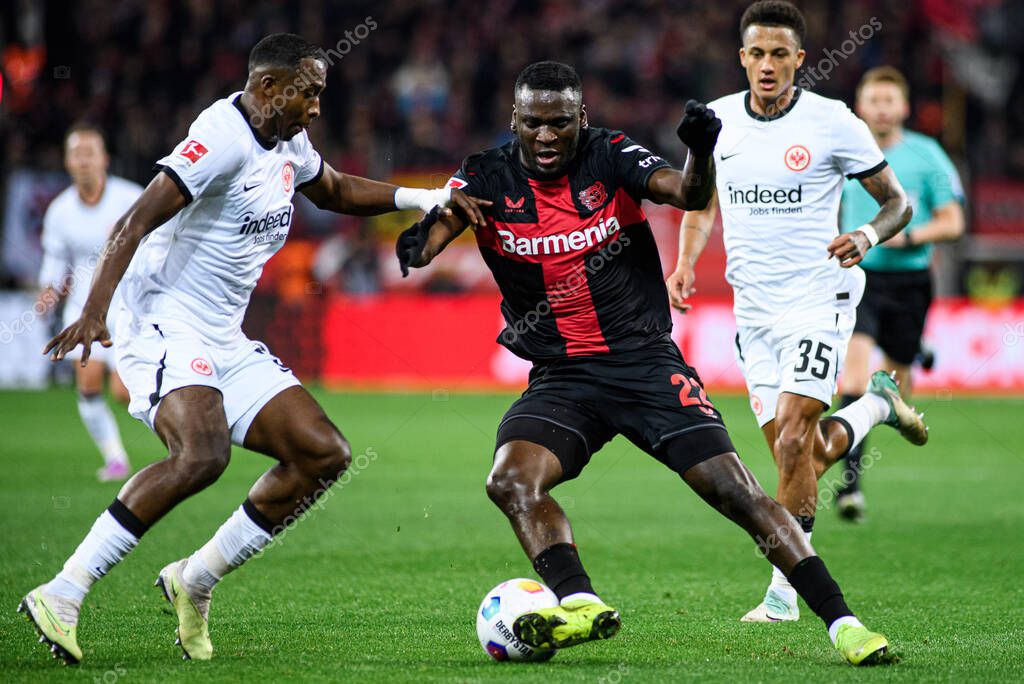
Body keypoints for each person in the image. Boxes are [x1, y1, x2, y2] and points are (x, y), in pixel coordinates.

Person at [398, 59, 892, 665]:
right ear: (515, 119)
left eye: (560, 123)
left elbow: (688, 193)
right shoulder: (485, 175)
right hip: (563, 376)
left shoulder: (609, 155)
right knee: (510, 481)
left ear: (581, 117)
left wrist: (700, 152)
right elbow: (443, 223)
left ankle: (844, 624)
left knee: (736, 493)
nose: (547, 136)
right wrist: (423, 242)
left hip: (644, 364)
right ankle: (580, 602)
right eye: (533, 123)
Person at [19, 33, 487, 665]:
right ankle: (64, 589)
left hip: (222, 333)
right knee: (201, 453)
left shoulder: (286, 138)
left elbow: (335, 190)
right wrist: (95, 310)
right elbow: (133, 222)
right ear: (269, 87)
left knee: (322, 453)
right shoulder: (221, 138)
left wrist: (425, 197)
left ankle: (195, 578)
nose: (317, 106)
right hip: (162, 320)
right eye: (309, 92)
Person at [666, 0, 928, 624]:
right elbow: (700, 203)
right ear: (742, 57)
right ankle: (876, 406)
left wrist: (865, 236)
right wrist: (684, 262)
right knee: (802, 457)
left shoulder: (832, 122)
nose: (767, 65)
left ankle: (784, 594)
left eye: (779, 54)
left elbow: (898, 203)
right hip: (753, 313)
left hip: (819, 300)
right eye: (757, 53)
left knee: (790, 440)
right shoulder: (719, 123)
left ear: (799, 59)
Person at [835, 67, 965, 522]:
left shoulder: (927, 155)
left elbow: (953, 222)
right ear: (860, 106)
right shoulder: (845, 151)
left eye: (889, 100)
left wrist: (909, 237)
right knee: (855, 377)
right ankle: (849, 488)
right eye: (874, 100)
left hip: (911, 282)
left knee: (896, 390)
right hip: (861, 278)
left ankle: (917, 352)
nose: (882, 109)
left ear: (904, 107)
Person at [37, 124, 142, 482]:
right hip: (83, 311)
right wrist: (48, 291)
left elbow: (157, 241)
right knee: (89, 385)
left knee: (125, 393)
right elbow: (55, 261)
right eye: (76, 154)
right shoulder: (60, 211)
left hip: (127, 306)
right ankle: (116, 460)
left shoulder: (130, 198)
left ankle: (181, 438)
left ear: (104, 159)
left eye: (89, 154)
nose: (83, 161)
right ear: (67, 162)